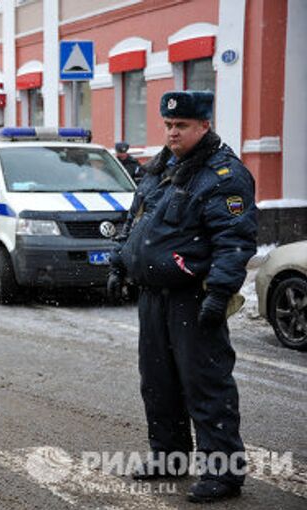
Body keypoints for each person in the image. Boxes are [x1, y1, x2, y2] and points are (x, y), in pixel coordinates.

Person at [108, 91, 257, 503]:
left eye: (182, 126)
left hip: (194, 296)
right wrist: (121, 262)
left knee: (205, 384)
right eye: (169, 125)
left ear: (203, 126)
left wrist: (220, 293)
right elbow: (134, 221)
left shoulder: (224, 175)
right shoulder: (159, 168)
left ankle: (223, 473)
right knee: (158, 383)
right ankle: (169, 458)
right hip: (154, 296)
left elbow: (234, 241)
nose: (173, 132)